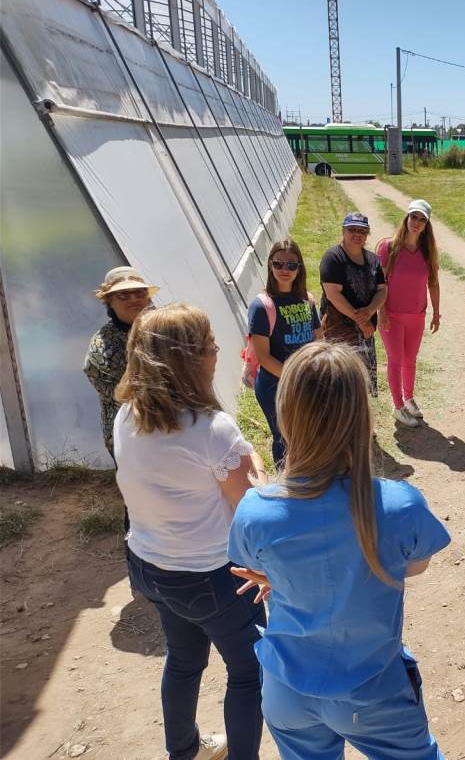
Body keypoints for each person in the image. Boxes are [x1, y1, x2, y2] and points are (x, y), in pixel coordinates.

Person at [228, 341, 450, 760]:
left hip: (288, 692)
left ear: (286, 419)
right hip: (373, 692)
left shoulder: (256, 510)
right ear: (365, 420)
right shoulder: (400, 504)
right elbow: (415, 566)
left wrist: (285, 578)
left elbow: (255, 564)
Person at [114, 304, 266, 760]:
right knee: (249, 672)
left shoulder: (128, 414)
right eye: (209, 345)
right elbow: (251, 507)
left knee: (182, 660)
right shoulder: (212, 430)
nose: (217, 352)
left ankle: (182, 752)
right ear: (185, 358)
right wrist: (254, 461)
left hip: (149, 567)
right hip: (209, 577)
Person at [248, 239, 321, 466]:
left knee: (309, 435)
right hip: (274, 386)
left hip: (305, 382)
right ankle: (285, 485)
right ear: (270, 265)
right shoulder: (262, 306)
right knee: (284, 439)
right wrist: (295, 377)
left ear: (300, 268)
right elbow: (264, 357)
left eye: (291, 265)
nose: (284, 270)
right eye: (278, 264)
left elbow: (319, 338)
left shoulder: (307, 300)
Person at [377, 199, 441, 428]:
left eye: (422, 219)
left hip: (417, 314)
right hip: (391, 315)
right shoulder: (388, 247)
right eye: (414, 216)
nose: (417, 222)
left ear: (426, 224)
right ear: (407, 217)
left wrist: (436, 312)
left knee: (410, 360)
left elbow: (433, 283)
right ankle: (397, 406)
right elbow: (379, 283)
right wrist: (381, 311)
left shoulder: (428, 251)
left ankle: (409, 397)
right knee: (395, 360)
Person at [84, 266, 158, 461]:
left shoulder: (166, 326)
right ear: (110, 301)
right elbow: (126, 395)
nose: (133, 299)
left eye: (139, 292)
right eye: (123, 295)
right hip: (134, 432)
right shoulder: (102, 346)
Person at [319, 212, 387, 395]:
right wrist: (363, 321)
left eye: (362, 231)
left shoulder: (373, 260)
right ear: (343, 231)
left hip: (365, 333)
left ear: (367, 234)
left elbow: (382, 290)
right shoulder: (333, 258)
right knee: (340, 381)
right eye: (352, 229)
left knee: (361, 383)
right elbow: (333, 294)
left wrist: (371, 310)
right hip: (339, 330)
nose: (357, 234)